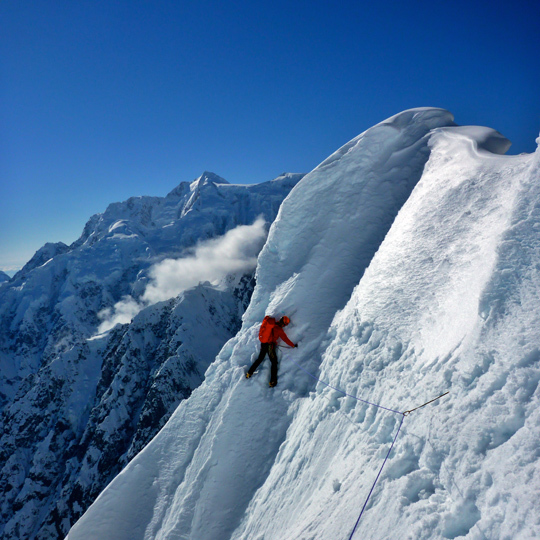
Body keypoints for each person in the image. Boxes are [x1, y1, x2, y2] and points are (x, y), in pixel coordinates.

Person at [245, 315, 297, 387]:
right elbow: (285, 339)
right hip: (269, 345)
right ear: (283, 324)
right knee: (274, 362)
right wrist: (293, 345)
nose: (284, 326)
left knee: (260, 358)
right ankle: (272, 381)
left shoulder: (273, 324)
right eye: (285, 325)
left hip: (263, 343)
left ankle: (249, 373)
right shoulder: (279, 329)